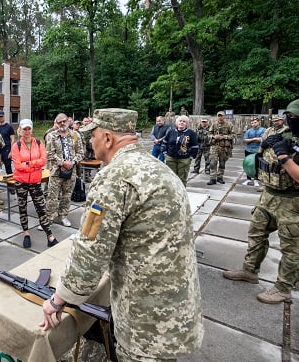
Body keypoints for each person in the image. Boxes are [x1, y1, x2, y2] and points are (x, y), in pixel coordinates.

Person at [40, 108, 203, 361]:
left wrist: (58, 299)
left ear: (107, 138)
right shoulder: (157, 167)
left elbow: (89, 252)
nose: (89, 141)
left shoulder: (114, 178)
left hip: (144, 320)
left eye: (92, 136)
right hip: (176, 308)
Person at [223, 99, 299, 304]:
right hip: (269, 195)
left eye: (296, 117)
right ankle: (249, 271)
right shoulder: (284, 134)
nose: (291, 120)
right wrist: (265, 147)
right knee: (256, 234)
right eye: (289, 115)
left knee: (291, 246)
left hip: (294, 201)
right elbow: (259, 159)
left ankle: (283, 288)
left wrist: (284, 156)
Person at [11, 119, 59, 248]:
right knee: (23, 208)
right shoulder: (16, 146)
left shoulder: (39, 143)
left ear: (32, 129)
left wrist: (29, 164)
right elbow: (18, 165)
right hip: (21, 182)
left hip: (35, 181)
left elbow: (43, 161)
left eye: (29, 129)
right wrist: (34, 165)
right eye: (24, 129)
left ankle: (50, 236)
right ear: (20, 130)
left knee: (41, 209)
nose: (27, 131)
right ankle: (26, 233)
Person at [46, 113, 84, 227]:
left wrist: (71, 163)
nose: (62, 123)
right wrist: (62, 163)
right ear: (56, 123)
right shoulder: (52, 136)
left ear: (68, 121)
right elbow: (49, 154)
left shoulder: (75, 135)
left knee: (67, 195)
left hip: (71, 171)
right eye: (59, 122)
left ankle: (63, 216)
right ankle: (49, 218)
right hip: (56, 171)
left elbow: (81, 153)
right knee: (52, 196)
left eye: (64, 121)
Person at [161, 115, 198, 187]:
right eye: (180, 121)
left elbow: (195, 146)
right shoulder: (171, 132)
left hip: (184, 159)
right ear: (177, 122)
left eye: (184, 121)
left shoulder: (191, 133)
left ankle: (182, 194)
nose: (182, 122)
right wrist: (165, 153)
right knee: (172, 177)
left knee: (182, 178)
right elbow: (164, 142)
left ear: (186, 124)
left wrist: (191, 157)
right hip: (171, 158)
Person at [207, 111, 235, 185]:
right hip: (214, 146)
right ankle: (212, 178)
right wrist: (214, 136)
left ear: (224, 116)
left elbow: (233, 135)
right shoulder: (214, 124)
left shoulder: (229, 124)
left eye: (221, 116)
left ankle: (220, 177)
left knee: (222, 163)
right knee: (213, 162)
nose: (220, 117)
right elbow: (209, 133)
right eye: (218, 116)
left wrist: (224, 137)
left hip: (224, 147)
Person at [241, 118, 265, 187]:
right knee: (247, 165)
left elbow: (263, 139)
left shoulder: (263, 130)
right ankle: (248, 179)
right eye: (252, 123)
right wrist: (254, 139)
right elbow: (245, 140)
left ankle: (256, 180)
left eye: (255, 122)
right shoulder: (248, 131)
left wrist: (251, 140)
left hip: (258, 150)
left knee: (256, 165)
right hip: (248, 150)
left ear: (258, 122)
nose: (253, 124)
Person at [0, 110, 15, 175]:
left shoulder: (9, 127)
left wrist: (11, 152)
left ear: (4, 116)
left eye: (2, 116)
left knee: (8, 169)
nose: (1, 118)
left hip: (6, 150)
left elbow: (13, 139)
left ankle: (10, 185)